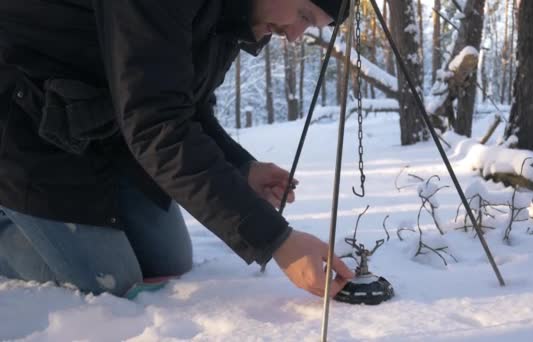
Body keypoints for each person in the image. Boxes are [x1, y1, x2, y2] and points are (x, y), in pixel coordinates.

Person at [0, 0, 354, 298]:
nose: (294, 35)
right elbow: (156, 126)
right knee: (110, 284)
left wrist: (240, 168)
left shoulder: (233, 15)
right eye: (304, 15)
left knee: (168, 263)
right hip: (23, 122)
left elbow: (182, 108)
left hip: (94, 127)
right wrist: (277, 241)